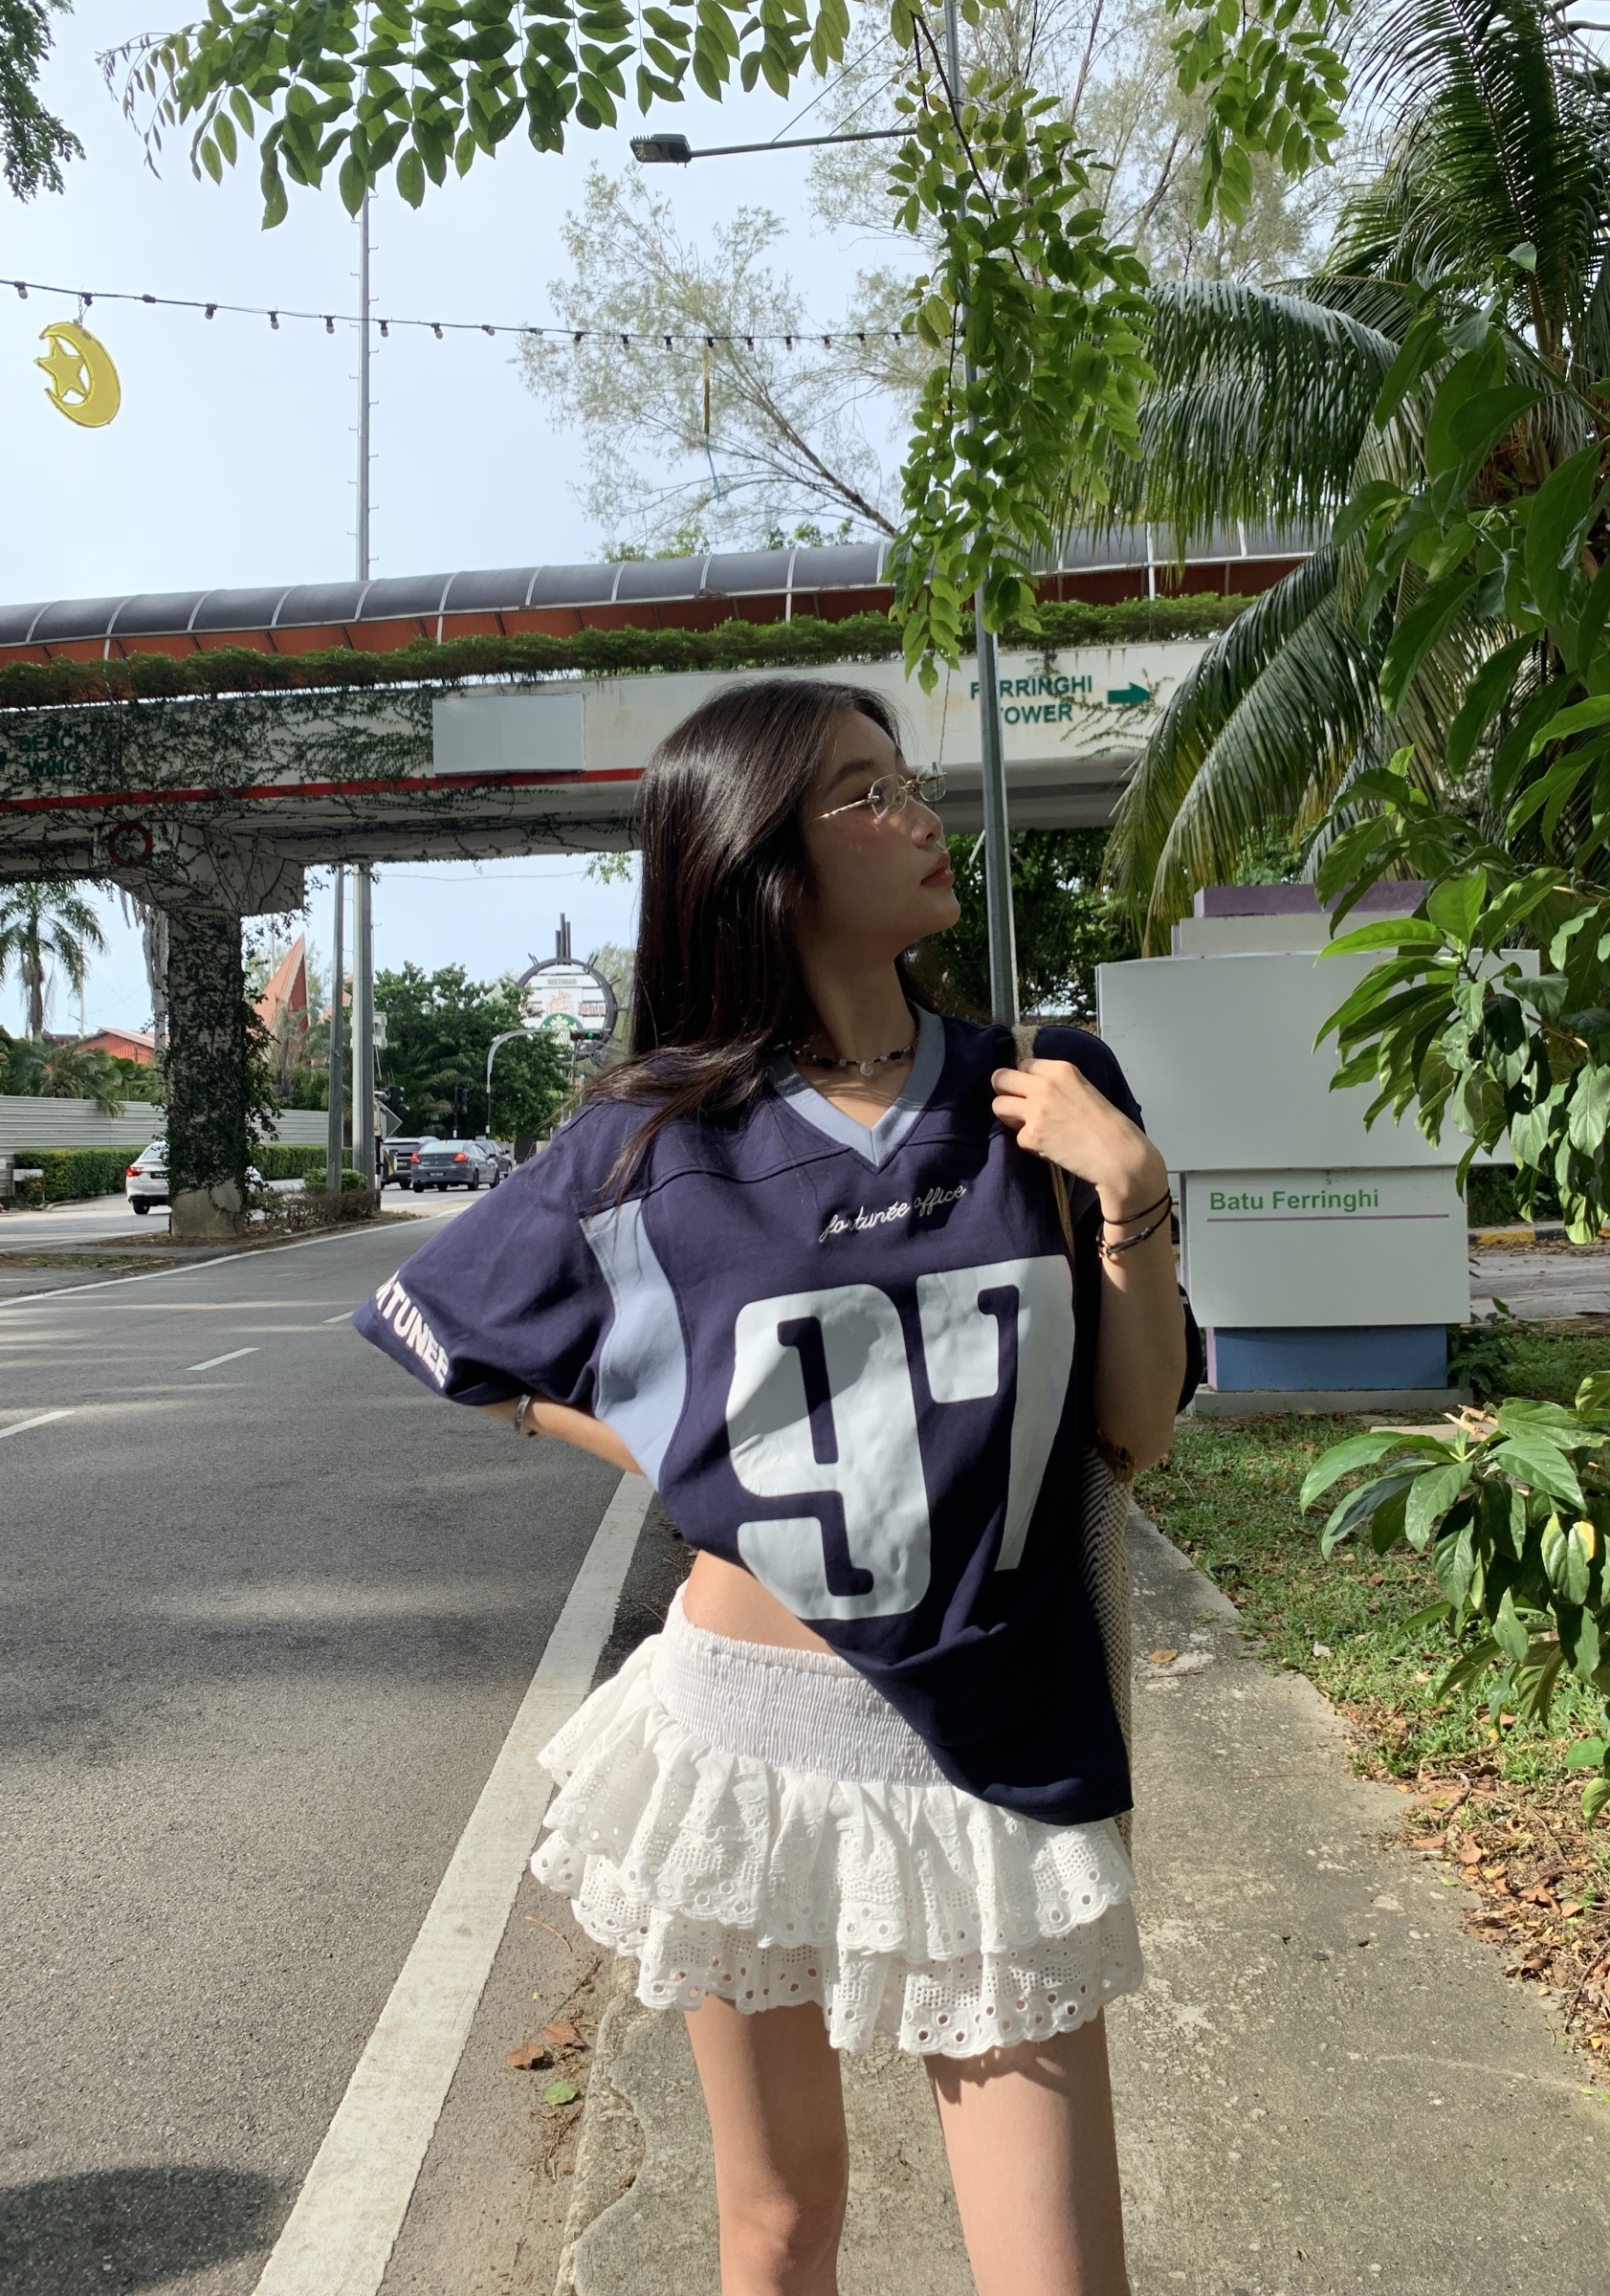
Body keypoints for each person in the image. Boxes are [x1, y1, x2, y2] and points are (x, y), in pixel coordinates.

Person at [355, 677, 1192, 2296]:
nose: (919, 816)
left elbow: (1132, 1434)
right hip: (741, 1731)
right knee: (780, 2221)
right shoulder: (653, 1139)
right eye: (867, 796)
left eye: (906, 781)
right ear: (766, 865)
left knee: (1058, 2275)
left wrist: (1132, 1197)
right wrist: (688, 1445)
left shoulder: (1046, 1087)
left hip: (993, 1733)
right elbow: (459, 1338)